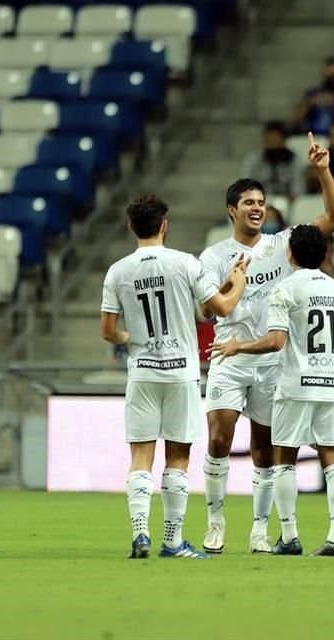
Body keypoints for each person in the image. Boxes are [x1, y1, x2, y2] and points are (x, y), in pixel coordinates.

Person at [199, 134, 334, 555]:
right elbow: (210, 310)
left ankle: (260, 530)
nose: (257, 207)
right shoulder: (213, 256)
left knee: (265, 447)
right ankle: (215, 521)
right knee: (218, 439)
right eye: (248, 202)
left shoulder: (282, 244)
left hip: (271, 360)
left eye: (261, 201)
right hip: (229, 353)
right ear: (232, 210)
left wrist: (322, 170)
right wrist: (234, 282)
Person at [100, 194, 250, 560]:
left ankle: (139, 535)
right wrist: (238, 281)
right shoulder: (185, 263)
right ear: (164, 226)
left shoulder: (118, 271)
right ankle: (172, 540)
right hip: (181, 373)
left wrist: (129, 338)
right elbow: (223, 308)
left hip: (143, 372)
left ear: (132, 227)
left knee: (140, 456)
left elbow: (108, 331)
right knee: (178, 458)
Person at [208, 224, 334, 557]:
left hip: (295, 384)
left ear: (290, 253)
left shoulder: (285, 289)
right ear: (324, 254)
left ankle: (289, 536)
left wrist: (239, 347)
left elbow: (275, 341)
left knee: (284, 460)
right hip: (332, 385)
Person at [291, 56, 334, 135]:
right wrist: (309, 103)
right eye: (328, 75)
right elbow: (294, 121)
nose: (331, 79)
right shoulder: (313, 93)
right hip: (314, 138)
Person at [240, 121, 301, 199]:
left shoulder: (294, 160)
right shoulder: (253, 160)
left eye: (275, 140)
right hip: (260, 201)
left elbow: (298, 189)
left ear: (283, 141)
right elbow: (245, 187)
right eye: (269, 140)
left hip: (287, 202)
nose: (272, 145)